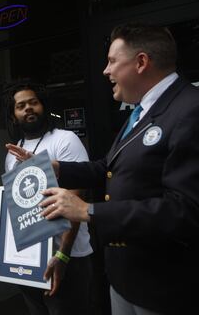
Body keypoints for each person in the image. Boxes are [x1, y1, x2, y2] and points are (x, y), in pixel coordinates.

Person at [27, 24, 199, 314]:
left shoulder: (189, 110)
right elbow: (110, 167)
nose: (105, 71)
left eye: (112, 61)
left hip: (164, 288)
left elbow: (186, 210)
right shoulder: (143, 111)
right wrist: (56, 168)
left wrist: (88, 211)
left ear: (141, 62)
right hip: (125, 280)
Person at [4, 83, 93, 315]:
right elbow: (15, 207)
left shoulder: (65, 140)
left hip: (68, 258)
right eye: (20, 106)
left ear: (43, 106)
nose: (28, 109)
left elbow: (75, 201)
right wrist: (1, 245)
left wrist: (62, 256)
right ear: (14, 116)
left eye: (33, 102)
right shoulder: (14, 152)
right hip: (29, 260)